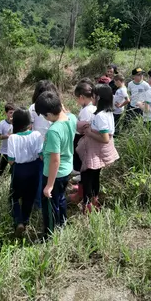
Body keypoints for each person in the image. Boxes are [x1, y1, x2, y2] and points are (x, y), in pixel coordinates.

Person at [35, 91, 77, 238]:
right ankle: (62, 224)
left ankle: (50, 235)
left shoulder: (54, 131)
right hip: (66, 170)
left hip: (54, 174)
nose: (46, 119)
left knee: (50, 206)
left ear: (49, 114)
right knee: (61, 199)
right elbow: (67, 112)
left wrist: (49, 185)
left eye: (45, 116)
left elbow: (55, 160)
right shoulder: (71, 118)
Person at [75, 84, 119, 213]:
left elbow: (105, 138)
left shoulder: (101, 116)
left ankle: (88, 205)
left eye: (93, 95)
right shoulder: (107, 112)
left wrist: (88, 132)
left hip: (95, 151)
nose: (92, 98)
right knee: (95, 176)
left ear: (98, 97)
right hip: (97, 151)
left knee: (87, 177)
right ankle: (94, 201)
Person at [6, 108, 45, 237]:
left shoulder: (12, 138)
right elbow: (41, 155)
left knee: (14, 196)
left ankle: (19, 221)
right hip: (34, 168)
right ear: (29, 122)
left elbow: (11, 160)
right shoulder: (37, 135)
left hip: (19, 169)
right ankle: (26, 220)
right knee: (29, 197)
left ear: (15, 123)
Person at [28, 80, 58, 208]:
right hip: (55, 145)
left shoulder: (33, 107)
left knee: (40, 175)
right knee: (54, 173)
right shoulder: (57, 107)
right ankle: (51, 200)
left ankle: (38, 202)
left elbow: (29, 128)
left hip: (38, 147)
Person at [74, 81, 96, 174]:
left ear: (81, 97)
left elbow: (82, 128)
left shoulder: (87, 110)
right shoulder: (91, 107)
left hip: (83, 138)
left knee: (83, 159)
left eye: (77, 99)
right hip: (89, 138)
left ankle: (81, 178)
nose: (77, 101)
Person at [0, 103, 16, 177]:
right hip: (3, 152)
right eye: (10, 113)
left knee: (14, 172)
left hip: (14, 152)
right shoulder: (2, 123)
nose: (12, 115)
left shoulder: (17, 123)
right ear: (6, 113)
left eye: (13, 113)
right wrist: (7, 136)